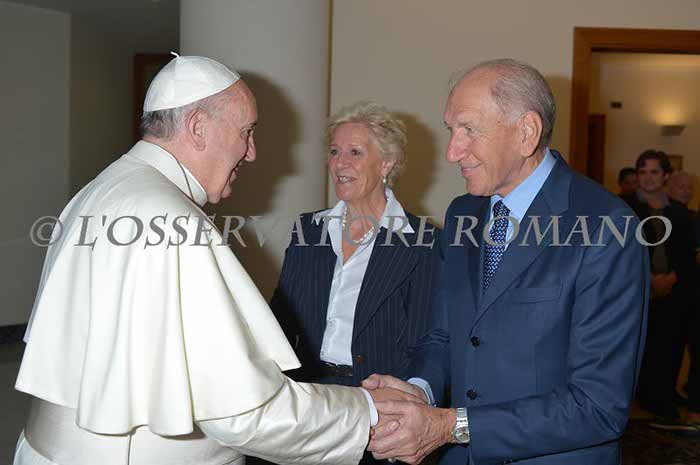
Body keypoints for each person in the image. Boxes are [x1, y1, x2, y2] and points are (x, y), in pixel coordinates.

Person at [12, 54, 416, 465]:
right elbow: (245, 414)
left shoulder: (101, 189)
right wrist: (368, 410)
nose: (251, 152)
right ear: (198, 127)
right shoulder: (174, 221)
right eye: (246, 132)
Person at [362, 59, 649, 465]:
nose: (452, 152)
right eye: (451, 130)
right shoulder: (463, 213)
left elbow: (598, 406)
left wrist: (450, 426)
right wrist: (419, 390)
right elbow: (444, 334)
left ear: (526, 132)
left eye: (469, 130)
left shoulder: (607, 226)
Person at [269, 101, 439, 462]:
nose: (339, 163)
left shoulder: (422, 242)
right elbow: (279, 322)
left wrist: (404, 408)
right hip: (308, 401)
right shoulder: (309, 230)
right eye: (334, 152)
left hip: (379, 407)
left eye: (355, 152)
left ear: (387, 163)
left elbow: (426, 341)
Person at [620, 152, 696, 431]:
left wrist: (672, 277)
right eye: (643, 172)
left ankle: (663, 399)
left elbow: (687, 254)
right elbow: (620, 251)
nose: (648, 178)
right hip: (635, 289)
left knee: (670, 345)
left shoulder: (679, 211)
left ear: (665, 175)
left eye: (654, 172)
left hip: (674, 288)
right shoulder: (623, 206)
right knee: (637, 347)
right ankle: (640, 400)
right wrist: (649, 279)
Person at [666, 171, 700, 429]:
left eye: (690, 187)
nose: (686, 191)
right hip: (675, 296)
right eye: (681, 186)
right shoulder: (668, 216)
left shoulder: (692, 216)